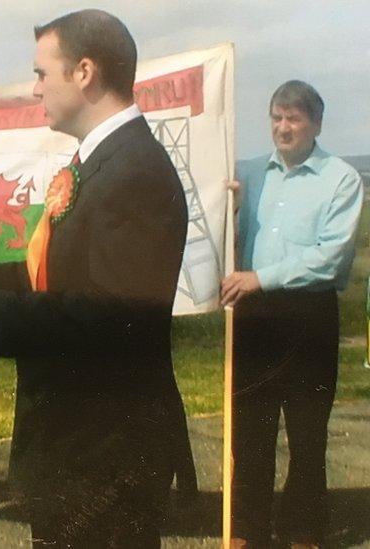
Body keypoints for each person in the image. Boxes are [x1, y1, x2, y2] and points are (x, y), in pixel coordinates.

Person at [0, 10, 188, 547]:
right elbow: (60, 277)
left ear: (85, 72)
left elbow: (117, 317)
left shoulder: (135, 171)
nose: (34, 89)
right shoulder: (103, 159)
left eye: (41, 73)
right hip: (79, 443)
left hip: (105, 450)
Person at [221, 81, 363, 549]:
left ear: (315, 125)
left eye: (294, 119)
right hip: (252, 317)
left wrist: (261, 278)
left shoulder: (341, 178)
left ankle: (303, 533)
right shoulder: (247, 174)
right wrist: (230, 209)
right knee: (249, 435)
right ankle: (246, 531)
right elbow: (228, 239)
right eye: (277, 117)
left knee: (306, 437)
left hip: (309, 316)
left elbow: (330, 257)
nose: (283, 128)